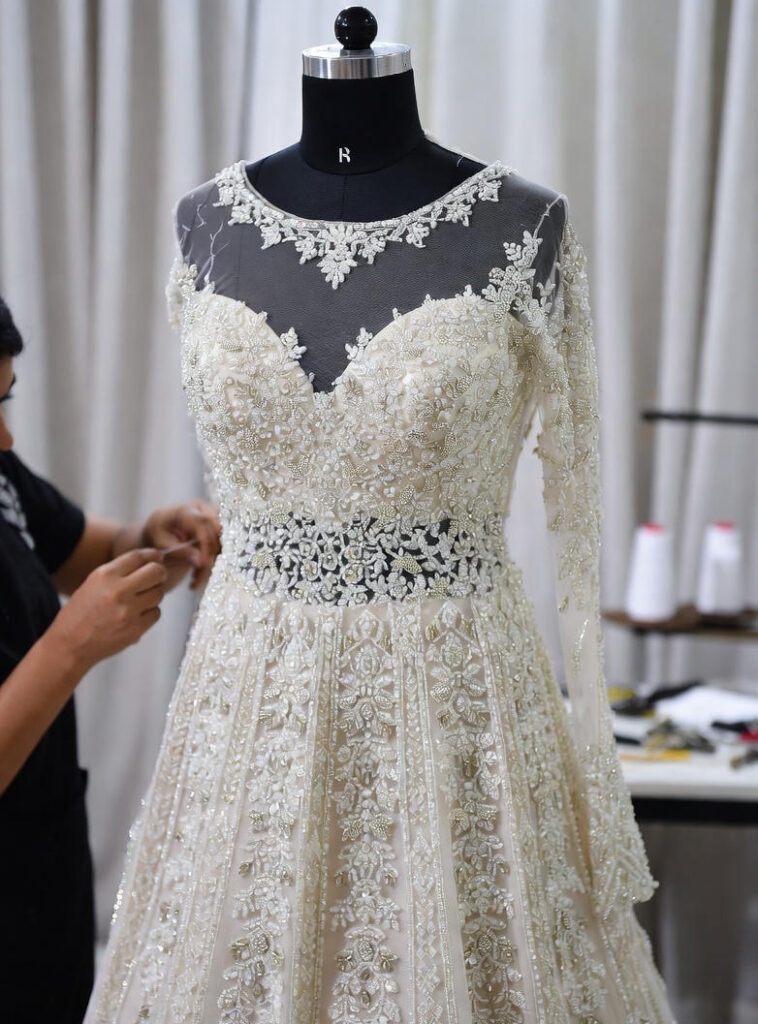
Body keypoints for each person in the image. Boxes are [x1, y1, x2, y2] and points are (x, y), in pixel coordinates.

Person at [0, 293, 222, 1023]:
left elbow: (79, 549)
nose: (6, 437)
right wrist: (70, 646)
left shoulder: (1, 476)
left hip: (43, 872)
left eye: (5, 400)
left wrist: (147, 534)